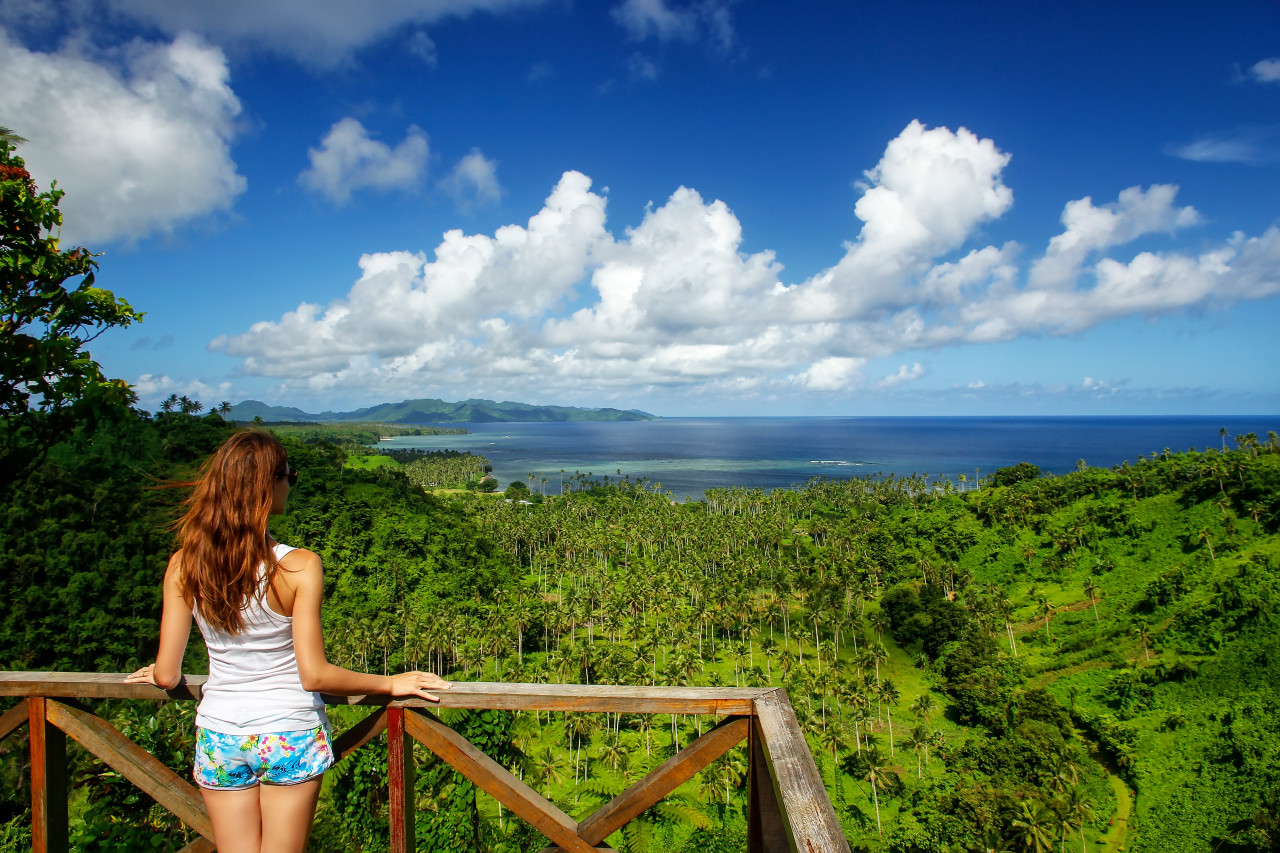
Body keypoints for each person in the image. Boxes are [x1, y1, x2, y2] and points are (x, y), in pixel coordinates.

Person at [126, 430, 449, 853]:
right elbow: (315, 675)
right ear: (267, 487)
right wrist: (389, 684)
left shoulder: (184, 565)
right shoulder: (298, 567)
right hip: (288, 730)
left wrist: (155, 672)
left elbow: (168, 674)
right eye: (288, 476)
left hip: (220, 733)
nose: (290, 484)